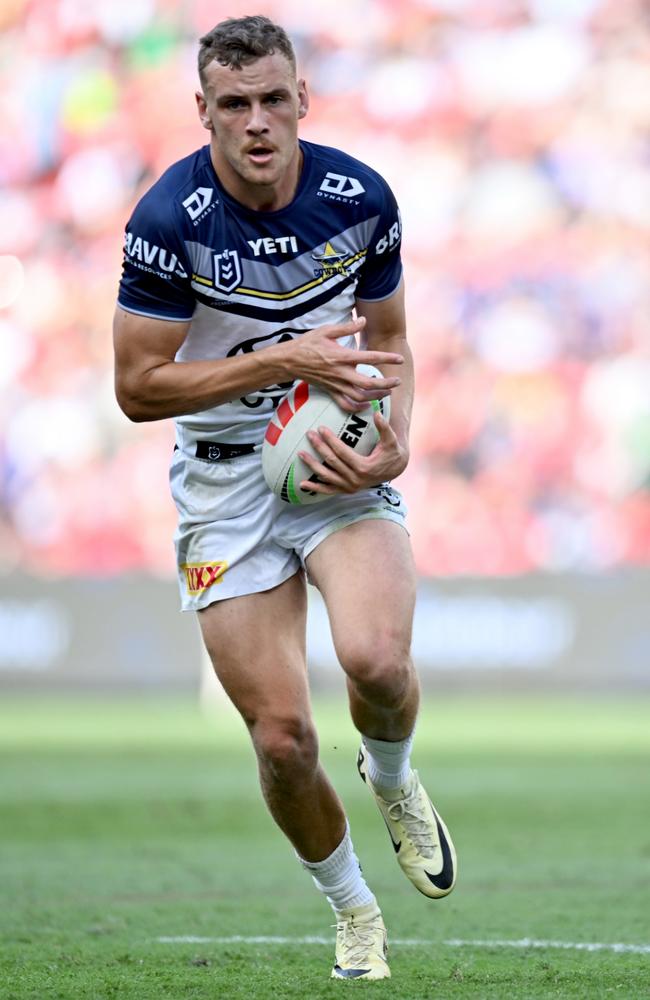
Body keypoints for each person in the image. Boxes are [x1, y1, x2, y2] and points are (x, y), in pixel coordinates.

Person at [113, 14, 456, 981]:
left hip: (334, 464)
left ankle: (391, 779)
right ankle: (354, 911)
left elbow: (392, 344)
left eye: (273, 99)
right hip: (225, 479)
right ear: (204, 111)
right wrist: (281, 359)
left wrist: (395, 442)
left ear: (303, 98)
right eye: (235, 104)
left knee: (378, 664)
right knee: (281, 736)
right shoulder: (167, 220)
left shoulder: (361, 198)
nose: (257, 122)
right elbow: (138, 389)